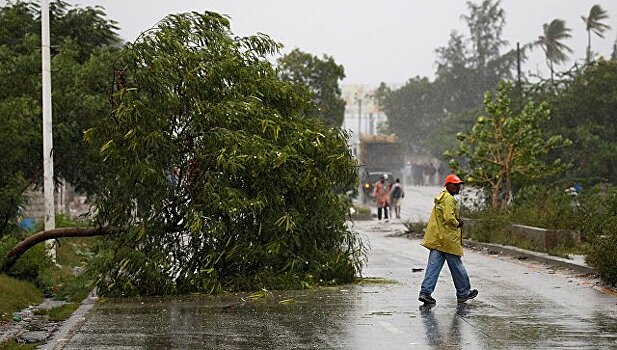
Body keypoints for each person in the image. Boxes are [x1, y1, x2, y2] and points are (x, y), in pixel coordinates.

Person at [418, 174, 478, 304]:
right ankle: (463, 292)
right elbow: (449, 218)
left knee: (433, 267)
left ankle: (425, 292)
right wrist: (458, 223)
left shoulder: (441, 196)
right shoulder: (449, 199)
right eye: (456, 185)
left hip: (438, 239)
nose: (458, 188)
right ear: (449, 185)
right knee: (457, 266)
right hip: (447, 239)